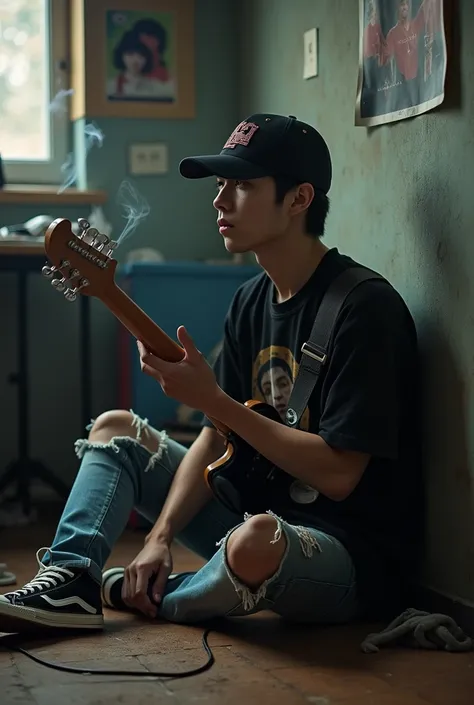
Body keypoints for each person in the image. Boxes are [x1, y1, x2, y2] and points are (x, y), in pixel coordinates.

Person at [0, 113, 423, 634]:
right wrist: (160, 536)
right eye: (221, 184)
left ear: (299, 199)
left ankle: (158, 598)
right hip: (260, 510)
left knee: (255, 542)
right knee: (115, 429)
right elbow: (214, 436)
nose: (220, 201)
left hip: (344, 553)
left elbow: (339, 476)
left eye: (243, 186)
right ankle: (71, 580)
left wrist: (214, 401)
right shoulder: (250, 300)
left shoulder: (366, 308)